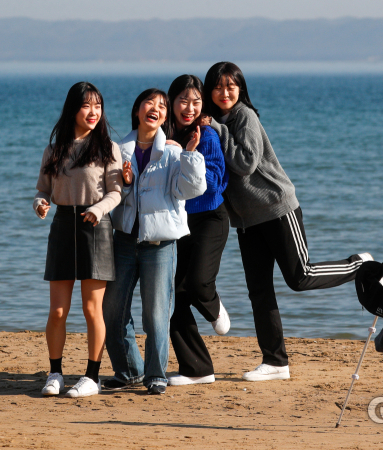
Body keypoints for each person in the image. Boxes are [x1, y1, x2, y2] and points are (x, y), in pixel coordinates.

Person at [204, 62, 372, 382]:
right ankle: (276, 361)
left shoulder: (243, 117)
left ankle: (358, 265)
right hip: (247, 221)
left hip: (276, 209)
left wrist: (217, 129)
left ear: (240, 89)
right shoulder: (216, 121)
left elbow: (245, 163)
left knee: (300, 276)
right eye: (217, 87)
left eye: (230, 86)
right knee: (259, 291)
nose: (224, 92)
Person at [102, 88, 206, 395]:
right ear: (137, 110)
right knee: (113, 310)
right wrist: (123, 181)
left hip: (160, 245)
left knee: (156, 313)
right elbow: (109, 192)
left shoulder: (174, 152)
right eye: (151, 102)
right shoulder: (117, 150)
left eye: (162, 105)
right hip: (122, 240)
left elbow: (192, 189)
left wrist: (190, 154)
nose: (157, 108)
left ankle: (155, 374)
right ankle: (129, 371)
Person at [34, 81, 122, 398]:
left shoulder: (109, 148)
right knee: (58, 311)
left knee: (91, 309)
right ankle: (55, 372)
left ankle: (91, 376)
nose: (93, 112)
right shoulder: (54, 149)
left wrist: (98, 210)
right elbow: (43, 189)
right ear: (74, 109)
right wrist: (40, 203)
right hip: (62, 225)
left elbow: (115, 192)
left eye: (98, 106)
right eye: (87, 106)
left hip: (95, 228)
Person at [166, 75, 230, 386]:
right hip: (178, 225)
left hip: (210, 219)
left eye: (196, 101)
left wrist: (187, 155)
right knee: (172, 297)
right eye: (183, 101)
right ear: (171, 102)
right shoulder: (163, 134)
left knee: (198, 283)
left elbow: (216, 183)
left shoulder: (206, 135)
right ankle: (198, 369)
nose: (189, 108)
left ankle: (213, 304)